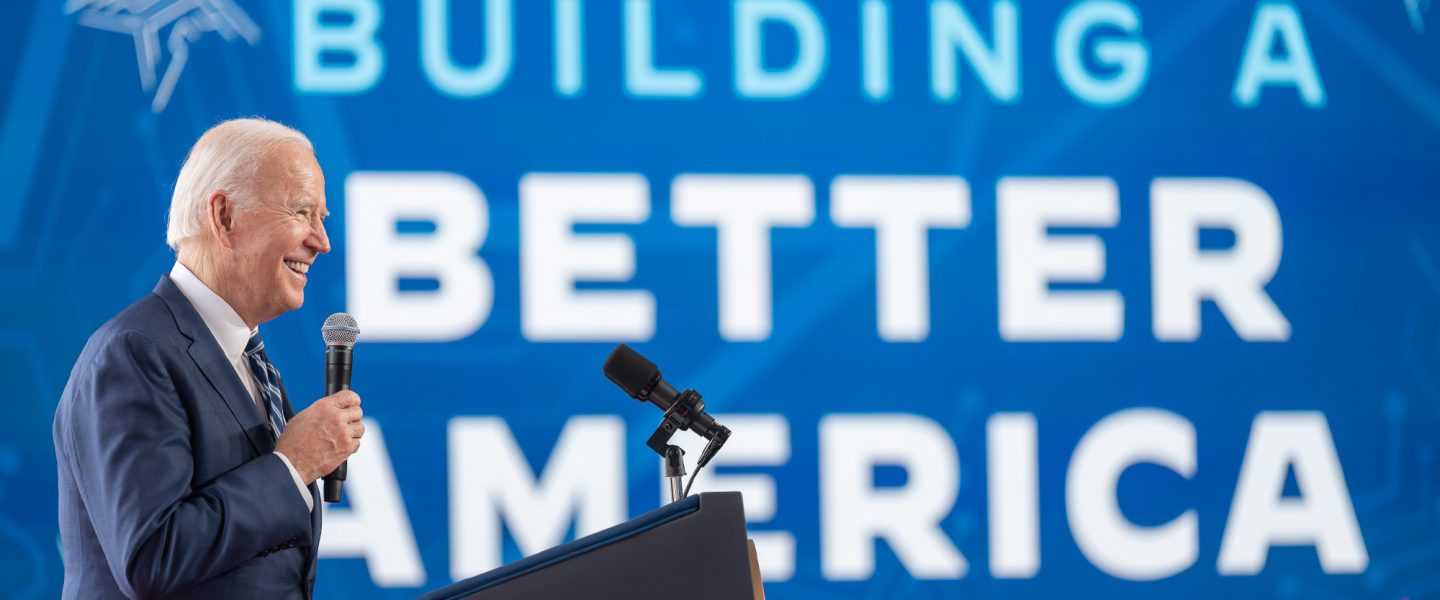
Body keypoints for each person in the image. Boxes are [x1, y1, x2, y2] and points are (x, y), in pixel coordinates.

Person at [53, 118, 364, 599]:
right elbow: (152, 556)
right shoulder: (133, 352)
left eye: (323, 218)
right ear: (224, 217)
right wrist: (292, 465)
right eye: (302, 212)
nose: (321, 241)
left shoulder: (247, 359)